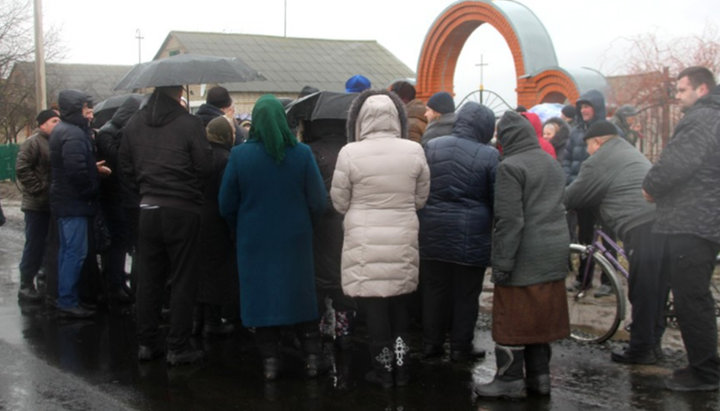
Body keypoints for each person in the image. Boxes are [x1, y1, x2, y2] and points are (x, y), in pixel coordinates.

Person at [218, 94, 327, 381]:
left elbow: (225, 203)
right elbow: (318, 201)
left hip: (254, 239)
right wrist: (307, 224)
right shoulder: (301, 153)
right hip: (295, 237)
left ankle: (269, 362)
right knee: (300, 294)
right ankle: (313, 358)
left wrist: (239, 226)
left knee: (261, 297)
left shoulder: (240, 155)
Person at [331, 89, 430, 388]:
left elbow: (338, 201)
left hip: (364, 239)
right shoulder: (413, 150)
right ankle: (402, 367)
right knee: (400, 304)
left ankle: (383, 369)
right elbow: (421, 198)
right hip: (402, 234)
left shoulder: (350, 152)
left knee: (374, 307)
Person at [474, 110, 569, 399]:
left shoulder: (510, 167)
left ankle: (509, 379)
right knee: (540, 318)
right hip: (554, 252)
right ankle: (540, 380)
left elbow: (509, 221)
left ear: (505, 139)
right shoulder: (550, 162)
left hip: (523, 255)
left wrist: (501, 263)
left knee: (512, 317)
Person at [120, 85, 212, 366]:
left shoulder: (134, 122)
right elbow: (204, 166)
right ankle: (178, 346)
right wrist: (191, 190)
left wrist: (143, 191)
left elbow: (124, 166)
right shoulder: (189, 123)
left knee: (149, 278)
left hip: (147, 208)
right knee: (183, 278)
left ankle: (147, 344)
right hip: (183, 209)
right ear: (178, 92)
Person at [642, 66, 720, 392]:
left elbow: (677, 163)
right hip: (702, 220)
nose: (677, 95)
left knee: (691, 298)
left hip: (692, 222)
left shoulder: (702, 118)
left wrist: (651, 186)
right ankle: (703, 366)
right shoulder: (712, 117)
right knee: (695, 296)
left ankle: (705, 373)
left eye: (682, 89)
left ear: (701, 89)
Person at [565, 120, 666, 365]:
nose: (588, 151)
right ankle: (654, 344)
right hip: (663, 221)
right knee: (657, 287)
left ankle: (641, 350)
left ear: (597, 142)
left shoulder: (599, 159)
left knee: (642, 288)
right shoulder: (628, 149)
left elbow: (573, 195)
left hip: (640, 224)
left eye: (588, 145)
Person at [418, 102, 498, 362]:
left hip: (432, 231)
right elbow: (496, 199)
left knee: (433, 291)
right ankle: (461, 347)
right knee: (466, 295)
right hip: (471, 236)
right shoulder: (489, 155)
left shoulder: (432, 146)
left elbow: (421, 188)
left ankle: (432, 344)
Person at [49, 90, 108, 319]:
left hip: (65, 200)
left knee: (68, 251)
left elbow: (70, 166)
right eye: (85, 108)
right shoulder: (73, 134)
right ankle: (68, 301)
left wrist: (92, 169)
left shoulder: (63, 130)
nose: (88, 113)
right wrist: (91, 188)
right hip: (74, 202)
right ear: (76, 109)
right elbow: (75, 171)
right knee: (75, 252)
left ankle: (66, 298)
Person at [562, 89, 615, 296]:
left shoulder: (609, 130)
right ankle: (583, 279)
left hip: (603, 194)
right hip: (582, 192)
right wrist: (570, 180)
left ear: (597, 107)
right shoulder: (575, 131)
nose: (583, 110)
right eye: (581, 106)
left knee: (607, 236)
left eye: (587, 106)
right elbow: (567, 160)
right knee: (584, 239)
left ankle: (608, 281)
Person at [94, 95, 143, 306]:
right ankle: (113, 285)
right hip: (113, 196)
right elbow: (116, 160)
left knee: (123, 242)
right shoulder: (107, 133)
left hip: (121, 195)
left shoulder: (114, 131)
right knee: (116, 242)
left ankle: (119, 281)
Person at [194, 116, 238, 338]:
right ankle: (213, 322)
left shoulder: (197, 156)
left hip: (195, 218)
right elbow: (227, 195)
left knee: (197, 270)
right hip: (217, 221)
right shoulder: (227, 159)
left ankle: (196, 320)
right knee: (216, 272)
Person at [15, 109, 60, 302]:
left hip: (53, 203)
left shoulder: (57, 142)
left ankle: (45, 277)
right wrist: (40, 189)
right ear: (42, 124)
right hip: (36, 204)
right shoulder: (33, 142)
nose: (57, 124)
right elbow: (22, 169)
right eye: (53, 121)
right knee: (34, 244)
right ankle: (26, 283)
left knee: (51, 243)